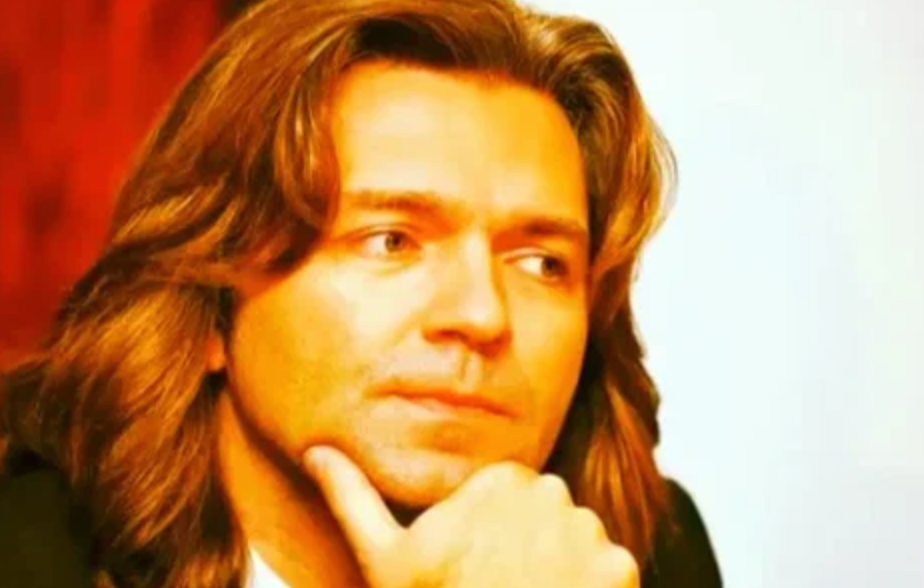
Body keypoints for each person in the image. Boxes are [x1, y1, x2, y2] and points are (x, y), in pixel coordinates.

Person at [0, 0, 723, 586]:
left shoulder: (646, 556)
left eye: (540, 263)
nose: (481, 314)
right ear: (210, 303)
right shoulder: (26, 553)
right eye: (392, 241)